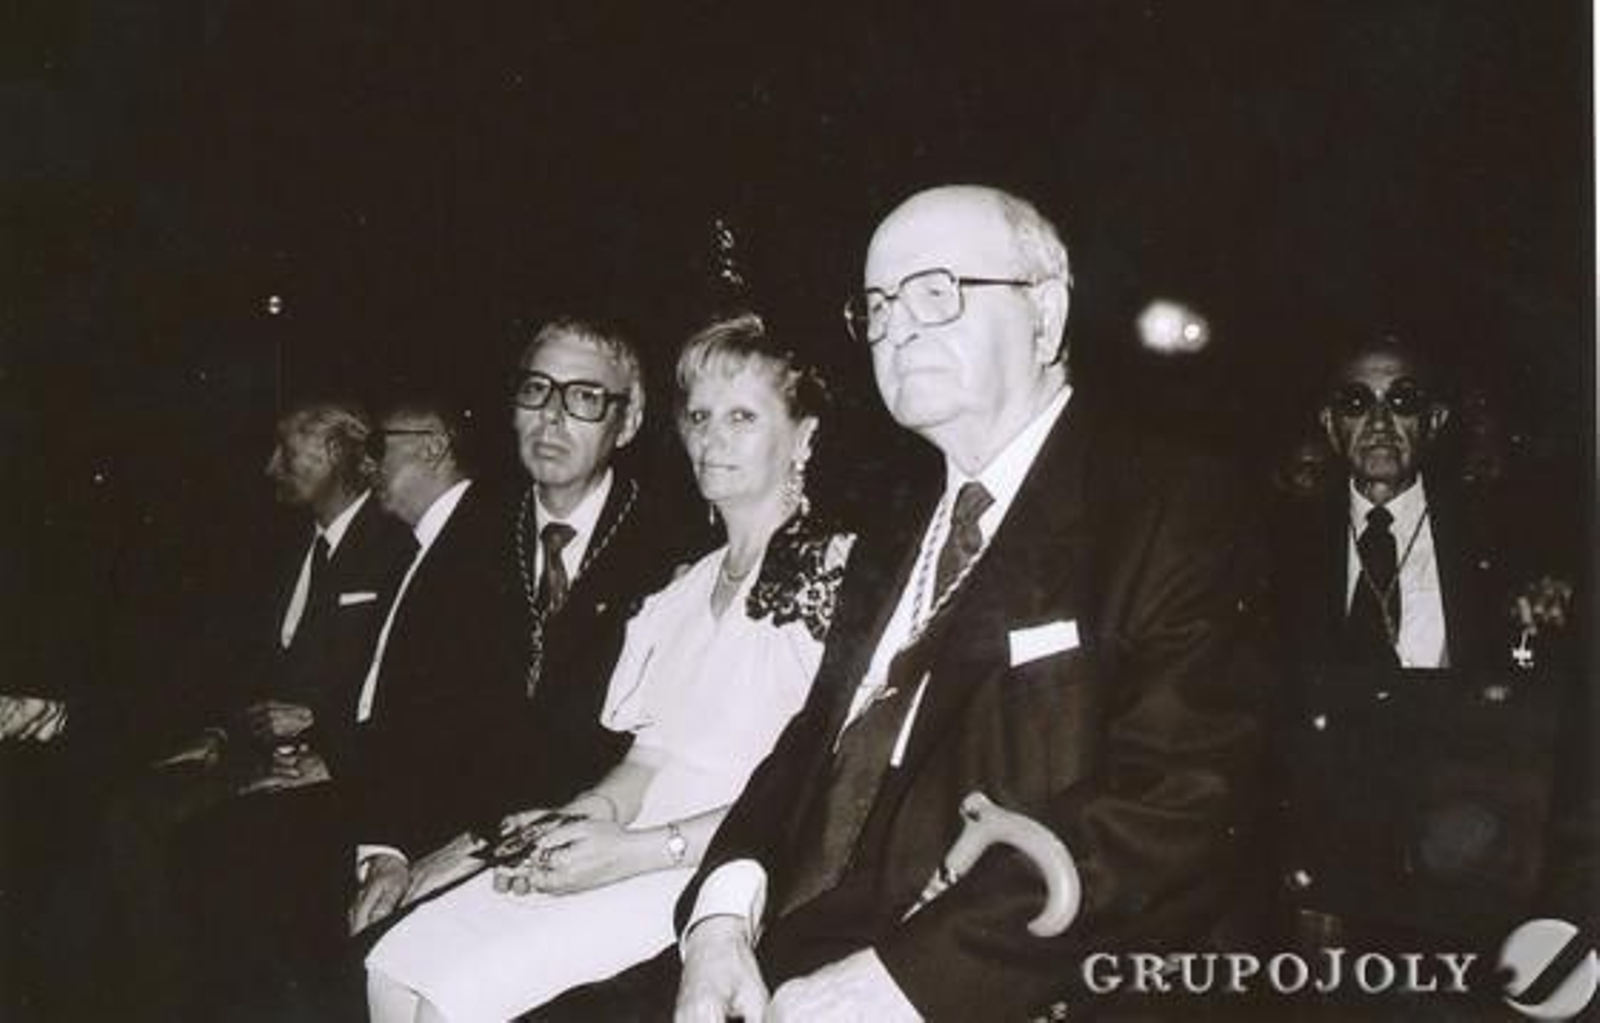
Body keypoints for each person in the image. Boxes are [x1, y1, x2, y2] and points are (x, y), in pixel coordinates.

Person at [544, 184, 1270, 1022]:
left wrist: (910, 982)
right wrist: (716, 921)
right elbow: (814, 742)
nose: (900, 327)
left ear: (1046, 314)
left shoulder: (1172, 504)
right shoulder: (895, 526)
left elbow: (1176, 802)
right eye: (879, 305)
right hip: (793, 941)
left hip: (1002, 972)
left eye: (937, 291)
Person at [364, 312, 854, 1022]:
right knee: (398, 964)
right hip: (628, 843)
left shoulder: (838, 573)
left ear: (804, 436)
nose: (711, 439)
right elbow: (645, 763)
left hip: (713, 867)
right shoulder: (683, 588)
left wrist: (627, 852)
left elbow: (818, 794)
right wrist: (573, 824)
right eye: (700, 415)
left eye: (742, 416)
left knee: (453, 997)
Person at [348, 317, 699, 934]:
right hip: (442, 841)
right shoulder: (473, 530)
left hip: (583, 848)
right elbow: (408, 703)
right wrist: (387, 852)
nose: (552, 418)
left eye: (585, 398)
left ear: (630, 421)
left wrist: (485, 846)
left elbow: (643, 751)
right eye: (536, 390)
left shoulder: (672, 546)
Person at [1268, 336, 1588, 967]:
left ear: (1435, 422)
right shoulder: (1279, 549)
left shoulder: (1508, 538)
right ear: (1331, 424)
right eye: (1357, 401)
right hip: (1335, 874)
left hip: (1472, 861)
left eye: (1403, 400)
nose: (1381, 421)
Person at [92, 399, 415, 1021]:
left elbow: (399, 687)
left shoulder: (394, 547)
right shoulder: (287, 549)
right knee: (130, 811)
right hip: (254, 753)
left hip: (336, 769)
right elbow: (253, 666)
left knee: (197, 846)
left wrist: (322, 734)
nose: (271, 467)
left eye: (286, 452)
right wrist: (218, 731)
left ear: (332, 455)